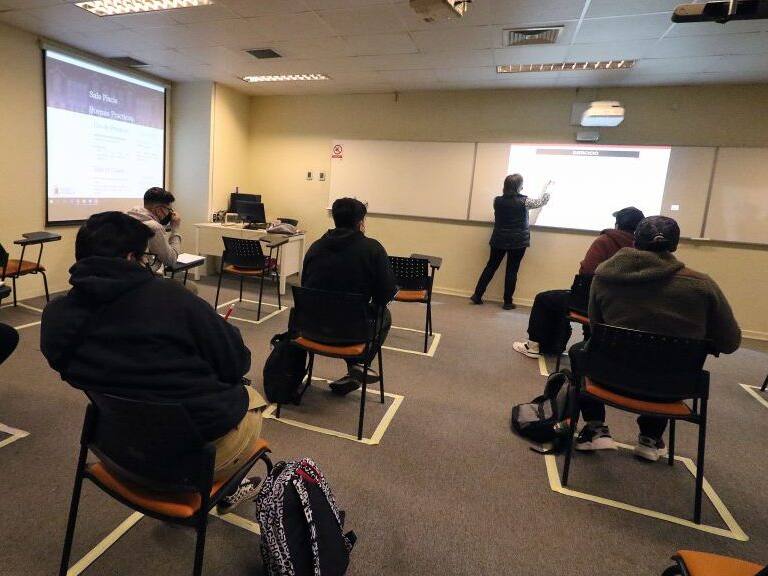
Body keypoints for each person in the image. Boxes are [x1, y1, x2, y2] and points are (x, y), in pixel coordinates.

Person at [40, 212, 266, 513]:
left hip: (117, 449)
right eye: (145, 257)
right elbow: (237, 363)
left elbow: (67, 367)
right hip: (189, 462)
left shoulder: (56, 315)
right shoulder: (172, 298)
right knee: (252, 398)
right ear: (130, 257)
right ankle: (228, 485)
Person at [570, 216, 741, 462]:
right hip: (672, 387)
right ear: (675, 245)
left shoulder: (604, 277)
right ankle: (650, 438)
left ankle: (595, 427)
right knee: (666, 360)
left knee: (579, 351)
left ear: (635, 241)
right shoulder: (702, 286)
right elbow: (730, 343)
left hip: (607, 376)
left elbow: (596, 328)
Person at [512, 207, 645, 358]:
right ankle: (577, 344)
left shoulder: (605, 240)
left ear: (617, 224)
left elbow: (587, 272)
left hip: (595, 302)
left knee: (544, 299)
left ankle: (534, 346)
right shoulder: (643, 247)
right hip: (627, 307)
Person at [301, 197, 397, 395]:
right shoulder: (373, 249)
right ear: (361, 222)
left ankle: (355, 369)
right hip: (351, 332)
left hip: (311, 327)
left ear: (335, 219)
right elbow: (385, 294)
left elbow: (305, 285)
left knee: (341, 312)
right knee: (384, 316)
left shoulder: (316, 246)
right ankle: (358, 366)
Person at [471, 174, 552, 309]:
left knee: (490, 267)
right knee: (512, 271)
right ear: (519, 186)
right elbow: (542, 202)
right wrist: (548, 189)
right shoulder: (525, 201)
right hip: (518, 241)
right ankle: (508, 302)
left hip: (498, 239)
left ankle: (477, 295)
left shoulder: (497, 200)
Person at [126, 187, 182, 269]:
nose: (171, 213)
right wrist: (175, 229)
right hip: (142, 274)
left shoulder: (127, 218)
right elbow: (171, 260)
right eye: (169, 210)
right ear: (159, 210)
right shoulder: (154, 227)